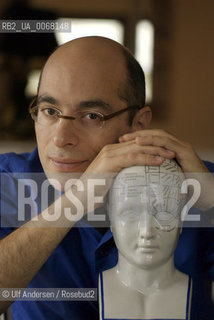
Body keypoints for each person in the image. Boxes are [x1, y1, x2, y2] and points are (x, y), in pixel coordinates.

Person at [0, 36, 214, 319]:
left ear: (138, 123)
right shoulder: (10, 180)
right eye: (50, 111)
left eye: (91, 115)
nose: (61, 138)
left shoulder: (197, 183)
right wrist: (75, 201)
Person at [99, 160, 190, 320]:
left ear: (181, 219)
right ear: (111, 218)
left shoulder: (205, 293)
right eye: (130, 214)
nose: (147, 232)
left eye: (164, 214)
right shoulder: (86, 293)